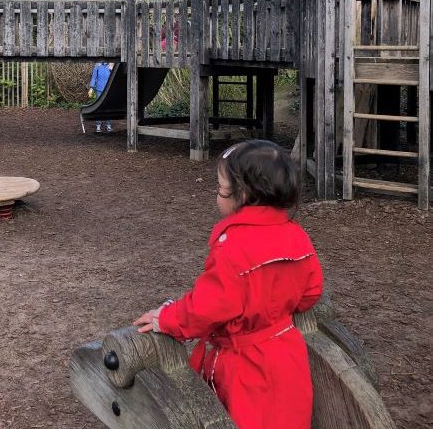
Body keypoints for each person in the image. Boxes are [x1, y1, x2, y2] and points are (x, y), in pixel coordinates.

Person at [134, 140, 324, 429]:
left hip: (244, 366)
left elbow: (208, 307)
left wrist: (166, 319)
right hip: (286, 354)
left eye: (221, 188)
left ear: (243, 194)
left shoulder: (233, 247)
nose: (217, 195)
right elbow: (310, 292)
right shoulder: (297, 236)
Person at [88, 62, 114, 133]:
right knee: (99, 107)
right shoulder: (97, 65)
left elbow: (115, 78)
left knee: (108, 107)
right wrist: (91, 88)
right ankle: (98, 126)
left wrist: (112, 69)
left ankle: (108, 125)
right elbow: (94, 77)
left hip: (109, 90)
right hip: (99, 90)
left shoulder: (111, 65)